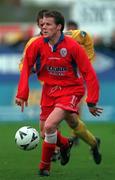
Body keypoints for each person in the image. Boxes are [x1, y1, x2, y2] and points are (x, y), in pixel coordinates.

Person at [16, 10, 103, 176]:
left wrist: (91, 99)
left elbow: (86, 40)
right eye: (41, 24)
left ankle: (44, 166)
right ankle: (77, 144)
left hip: (70, 89)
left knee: (50, 126)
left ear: (58, 27)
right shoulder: (34, 44)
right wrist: (22, 93)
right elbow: (24, 67)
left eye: (48, 24)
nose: (44, 27)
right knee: (48, 130)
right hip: (50, 89)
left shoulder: (72, 40)